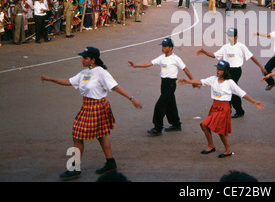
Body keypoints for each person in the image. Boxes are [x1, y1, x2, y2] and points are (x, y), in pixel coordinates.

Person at [40, 46, 142, 179]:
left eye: (85, 58)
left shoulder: (101, 72)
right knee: (98, 135)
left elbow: (115, 87)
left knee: (80, 134)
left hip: (98, 106)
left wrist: (132, 98)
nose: (82, 60)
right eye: (83, 57)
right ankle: (110, 162)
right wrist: (50, 79)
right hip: (87, 106)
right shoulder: (84, 73)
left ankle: (75, 168)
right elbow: (68, 82)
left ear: (93, 60)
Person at [178, 60, 264, 158]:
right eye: (217, 69)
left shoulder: (230, 83)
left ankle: (224, 149)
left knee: (213, 128)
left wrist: (254, 102)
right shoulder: (213, 79)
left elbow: (242, 93)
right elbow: (201, 81)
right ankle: (215, 147)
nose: (217, 71)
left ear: (225, 71)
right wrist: (187, 81)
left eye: (220, 69)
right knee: (209, 127)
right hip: (214, 107)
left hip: (223, 109)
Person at [128, 38, 194, 136]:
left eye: (165, 46)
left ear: (171, 48)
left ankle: (157, 128)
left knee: (160, 106)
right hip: (163, 83)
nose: (163, 48)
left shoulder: (176, 59)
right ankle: (176, 124)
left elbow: (186, 70)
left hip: (171, 84)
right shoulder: (161, 57)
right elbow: (149, 63)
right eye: (162, 46)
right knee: (170, 105)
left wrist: (193, 81)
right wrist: (136, 66)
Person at [197, 28, 266, 118]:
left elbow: (252, 57)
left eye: (231, 36)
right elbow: (214, 55)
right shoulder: (225, 47)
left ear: (236, 36)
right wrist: (204, 52)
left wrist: (261, 67)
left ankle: (238, 111)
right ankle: (229, 110)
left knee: (232, 90)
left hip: (236, 71)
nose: (229, 37)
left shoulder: (241, 47)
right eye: (228, 35)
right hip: (226, 70)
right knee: (230, 90)